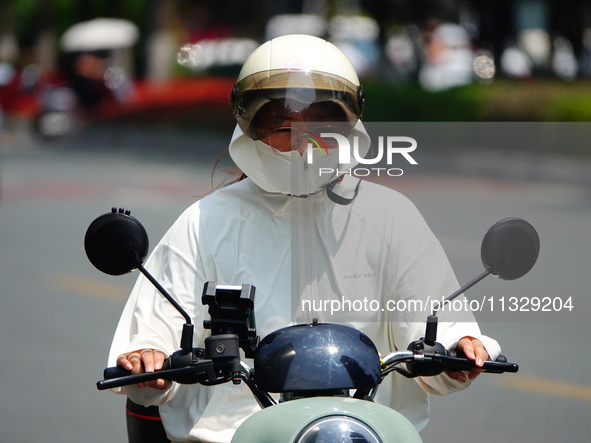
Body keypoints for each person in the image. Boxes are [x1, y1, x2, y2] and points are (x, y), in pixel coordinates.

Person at [108, 34, 500, 443]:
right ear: (251, 127)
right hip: (234, 433)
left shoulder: (391, 215)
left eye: (319, 124)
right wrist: (146, 359)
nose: (302, 143)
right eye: (280, 125)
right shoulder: (206, 220)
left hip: (364, 429)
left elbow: (432, 319)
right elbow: (156, 329)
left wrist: (458, 348)